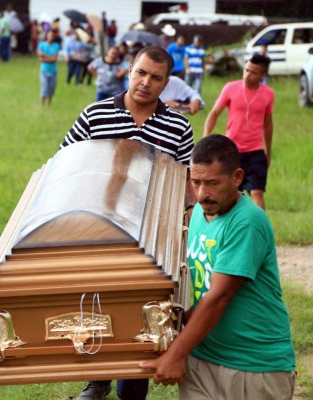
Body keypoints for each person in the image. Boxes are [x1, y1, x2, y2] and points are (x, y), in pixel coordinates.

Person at [61, 45, 197, 400]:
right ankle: (97, 378)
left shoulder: (179, 126)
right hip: (100, 228)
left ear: (167, 83)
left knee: (143, 309)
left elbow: (187, 182)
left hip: (155, 232)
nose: (145, 83)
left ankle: (132, 387)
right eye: (141, 73)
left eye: (156, 78)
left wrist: (188, 221)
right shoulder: (95, 114)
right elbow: (66, 167)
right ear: (128, 70)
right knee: (98, 303)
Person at [140, 134, 296, 400]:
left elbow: (220, 296)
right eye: (196, 181)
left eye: (212, 183)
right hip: (203, 356)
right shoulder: (201, 211)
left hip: (253, 366)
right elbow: (203, 290)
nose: (202, 194)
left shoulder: (247, 222)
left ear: (237, 177)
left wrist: (176, 354)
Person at [203, 54, 273, 210]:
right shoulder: (231, 88)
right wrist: (205, 139)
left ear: (263, 75)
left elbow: (268, 124)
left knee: (257, 194)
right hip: (232, 152)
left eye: (253, 72)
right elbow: (214, 113)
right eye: (246, 70)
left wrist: (268, 153)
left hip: (256, 152)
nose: (247, 75)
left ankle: (257, 231)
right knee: (231, 195)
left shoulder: (268, 94)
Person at [37, 30, 61, 106]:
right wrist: (50, 58)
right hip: (44, 70)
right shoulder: (41, 45)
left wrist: (45, 57)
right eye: (49, 35)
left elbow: (54, 59)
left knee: (51, 88)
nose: (50, 37)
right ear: (47, 36)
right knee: (44, 88)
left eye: (52, 36)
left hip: (53, 71)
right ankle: (42, 105)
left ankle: (49, 104)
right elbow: (40, 57)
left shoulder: (56, 45)